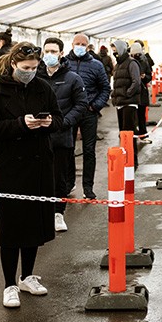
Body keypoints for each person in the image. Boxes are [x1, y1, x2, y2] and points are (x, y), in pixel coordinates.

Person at [0, 43, 63, 308]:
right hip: (10, 167)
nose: (30, 72)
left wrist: (50, 122)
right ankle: (9, 284)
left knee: (35, 224)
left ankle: (28, 275)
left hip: (39, 165)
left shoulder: (43, 88)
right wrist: (19, 124)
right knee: (11, 227)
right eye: (26, 68)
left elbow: (60, 119)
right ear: (13, 64)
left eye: (34, 68)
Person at [38, 38, 88, 232]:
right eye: (47, 51)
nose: (49, 54)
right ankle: (42, 212)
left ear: (61, 53)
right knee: (40, 176)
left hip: (61, 136)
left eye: (53, 51)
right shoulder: (36, 76)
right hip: (38, 135)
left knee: (59, 178)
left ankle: (58, 213)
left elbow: (81, 104)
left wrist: (65, 122)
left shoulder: (72, 78)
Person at [65, 33, 110, 199]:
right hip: (69, 113)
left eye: (83, 44)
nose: (80, 46)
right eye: (77, 43)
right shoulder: (64, 63)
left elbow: (105, 88)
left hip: (89, 113)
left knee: (89, 150)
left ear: (88, 46)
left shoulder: (96, 65)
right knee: (68, 148)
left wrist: (95, 105)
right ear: (72, 44)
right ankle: (69, 184)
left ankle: (88, 187)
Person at [110, 40, 141, 168]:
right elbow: (116, 82)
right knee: (123, 133)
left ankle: (132, 160)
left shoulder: (131, 63)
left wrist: (127, 94)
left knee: (129, 134)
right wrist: (115, 96)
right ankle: (126, 158)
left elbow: (136, 81)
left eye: (116, 50)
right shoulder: (117, 65)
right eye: (113, 51)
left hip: (129, 104)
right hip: (120, 104)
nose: (114, 53)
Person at [131, 42, 153, 142]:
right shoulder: (128, 62)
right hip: (132, 93)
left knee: (141, 115)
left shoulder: (145, 61)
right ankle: (131, 134)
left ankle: (143, 134)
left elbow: (149, 76)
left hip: (142, 91)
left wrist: (144, 77)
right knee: (131, 116)